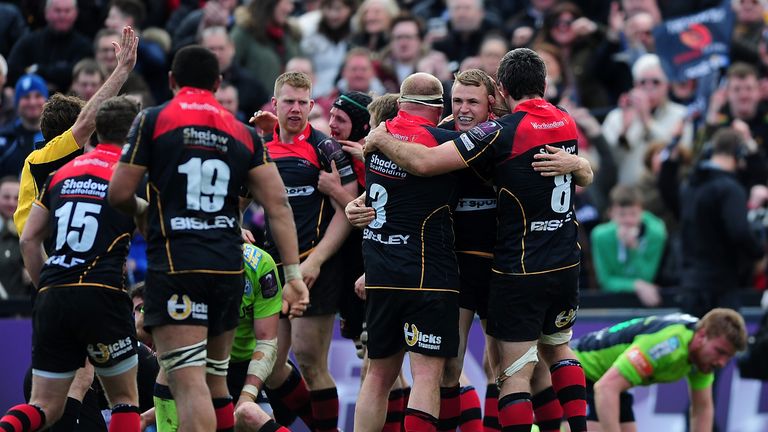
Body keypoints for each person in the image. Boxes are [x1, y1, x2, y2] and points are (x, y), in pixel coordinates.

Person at [363, 48, 593, 432]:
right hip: (460, 264)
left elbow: (422, 163)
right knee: (450, 367)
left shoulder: (499, 132)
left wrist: (580, 165)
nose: (464, 109)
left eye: (473, 100)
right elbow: (404, 185)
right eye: (457, 101)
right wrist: (360, 202)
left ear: (495, 98)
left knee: (512, 367)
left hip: (505, 264)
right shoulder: (446, 133)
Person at [107, 45, 308, 432]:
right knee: (216, 381)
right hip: (229, 267)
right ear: (217, 84)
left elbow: (118, 193)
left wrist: (144, 212)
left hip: (179, 265)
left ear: (171, 81)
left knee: (187, 380)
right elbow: (278, 204)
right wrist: (295, 276)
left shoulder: (153, 119)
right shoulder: (244, 133)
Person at [0, 95, 143, 432]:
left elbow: (27, 239)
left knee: (45, 405)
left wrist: (45, 283)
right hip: (100, 292)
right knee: (124, 400)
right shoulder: (130, 175)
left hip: (54, 291)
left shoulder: (61, 175)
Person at [354, 72, 462, 432]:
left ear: (400, 104)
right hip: (426, 272)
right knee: (427, 376)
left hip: (380, 272)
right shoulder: (442, 140)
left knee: (378, 375)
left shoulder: (376, 138)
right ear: (439, 108)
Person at [260, 71, 357, 432]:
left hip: (317, 265)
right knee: (269, 366)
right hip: (274, 268)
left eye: (303, 102)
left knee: (310, 360)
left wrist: (315, 261)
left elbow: (347, 213)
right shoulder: (261, 149)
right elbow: (236, 199)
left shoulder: (324, 149)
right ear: (275, 105)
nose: (296, 109)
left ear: (313, 105)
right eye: (289, 101)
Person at [572, 309, 747, 432]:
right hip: (580, 371)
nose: (722, 363)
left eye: (728, 357)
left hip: (609, 382)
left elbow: (702, 410)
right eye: (720, 352)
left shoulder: (703, 358)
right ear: (702, 336)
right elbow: (606, 388)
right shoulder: (669, 344)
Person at [677, 127, 764, 317]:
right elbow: (739, 231)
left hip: (690, 285)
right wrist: (759, 250)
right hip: (720, 290)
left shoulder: (690, 185)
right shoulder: (730, 189)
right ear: (738, 153)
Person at [591, 185, 667, 307]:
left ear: (642, 212)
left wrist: (633, 249)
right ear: (611, 213)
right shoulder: (600, 236)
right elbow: (605, 280)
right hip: (614, 301)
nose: (628, 220)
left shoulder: (656, 233)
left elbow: (647, 276)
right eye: (622, 214)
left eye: (633, 214)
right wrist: (636, 285)